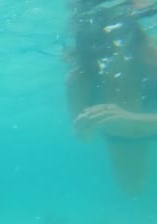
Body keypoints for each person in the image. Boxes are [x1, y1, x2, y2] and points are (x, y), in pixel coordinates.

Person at [65, 0, 157, 196]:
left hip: (127, 131)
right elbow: (84, 138)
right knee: (133, 192)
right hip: (122, 138)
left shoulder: (152, 55)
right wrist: (84, 129)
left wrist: (130, 119)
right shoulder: (77, 79)